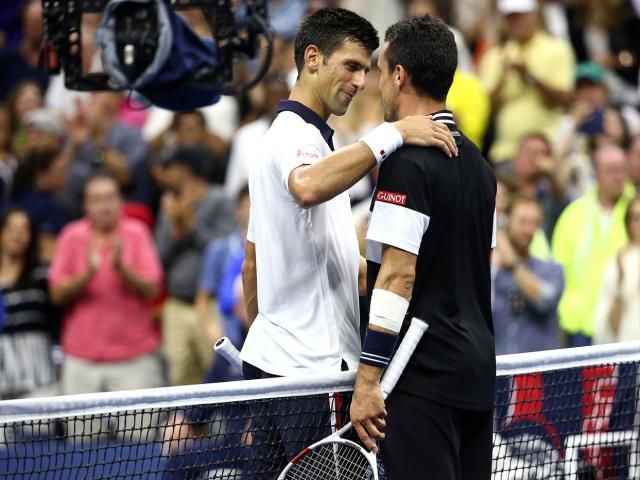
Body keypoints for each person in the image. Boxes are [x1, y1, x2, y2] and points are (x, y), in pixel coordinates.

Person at [240, 7, 457, 478]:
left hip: (270, 370)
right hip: (313, 373)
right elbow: (307, 186)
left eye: (366, 69)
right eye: (352, 66)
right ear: (312, 58)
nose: (361, 81)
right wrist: (394, 133)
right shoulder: (297, 139)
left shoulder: (301, 143)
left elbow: (253, 265)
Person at [348, 15, 496, 480]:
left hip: (421, 380)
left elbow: (399, 275)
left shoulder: (407, 163)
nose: (375, 83)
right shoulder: (479, 164)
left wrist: (368, 379)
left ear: (399, 75)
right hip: (475, 375)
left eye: (380, 68)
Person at [49, 172, 164, 395]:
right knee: (83, 431)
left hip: (134, 357)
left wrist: (122, 269)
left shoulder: (137, 233)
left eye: (110, 198)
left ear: (121, 201)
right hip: (81, 359)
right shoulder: (71, 236)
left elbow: (153, 289)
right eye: (97, 200)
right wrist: (87, 274)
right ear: (86, 205)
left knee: (139, 430)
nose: (105, 206)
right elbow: (56, 295)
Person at [154, 146, 236, 386]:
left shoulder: (218, 199)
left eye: (169, 169)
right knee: (178, 381)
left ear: (185, 170)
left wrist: (190, 226)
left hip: (210, 306)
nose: (164, 175)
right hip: (177, 305)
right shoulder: (169, 206)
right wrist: (177, 230)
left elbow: (227, 250)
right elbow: (159, 255)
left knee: (217, 378)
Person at [552, 143, 636, 347]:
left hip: (624, 326)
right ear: (597, 174)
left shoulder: (635, 213)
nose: (618, 176)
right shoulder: (574, 213)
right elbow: (557, 267)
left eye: (622, 169)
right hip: (577, 324)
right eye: (610, 170)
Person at [479, 0, 575, 163]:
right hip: (506, 151)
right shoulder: (496, 55)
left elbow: (563, 99)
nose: (515, 22)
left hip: (548, 147)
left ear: (534, 15)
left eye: (520, 16)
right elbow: (485, 108)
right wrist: (502, 79)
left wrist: (529, 75)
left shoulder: (557, 49)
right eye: (510, 17)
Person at [492, 196, 564, 355]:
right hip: (497, 369)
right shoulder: (491, 269)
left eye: (534, 223)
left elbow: (544, 302)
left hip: (536, 374)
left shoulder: (551, 269)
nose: (528, 230)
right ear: (506, 222)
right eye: (523, 222)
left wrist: (512, 263)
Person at [0, 208, 58, 399]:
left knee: (41, 429)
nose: (17, 235)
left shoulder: (42, 273)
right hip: (2, 374)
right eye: (11, 228)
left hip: (38, 374)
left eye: (24, 229)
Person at [593, 195, 640, 344]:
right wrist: (621, 279)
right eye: (635, 217)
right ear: (627, 223)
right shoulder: (619, 261)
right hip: (628, 354)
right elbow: (610, 328)